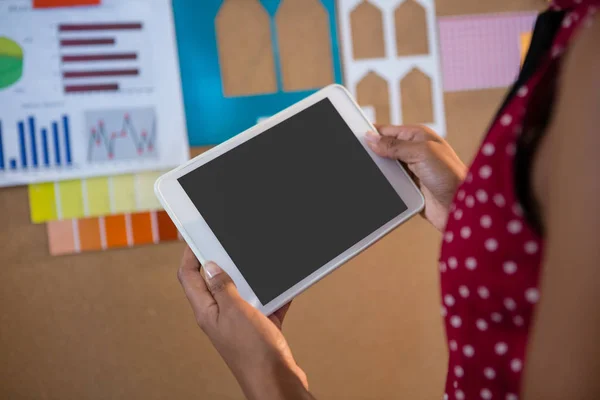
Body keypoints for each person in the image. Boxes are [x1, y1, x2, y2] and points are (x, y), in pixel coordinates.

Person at [177, 1, 600, 399]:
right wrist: (471, 215)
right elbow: (542, 273)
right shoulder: (571, 27)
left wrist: (267, 375)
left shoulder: (591, 59)